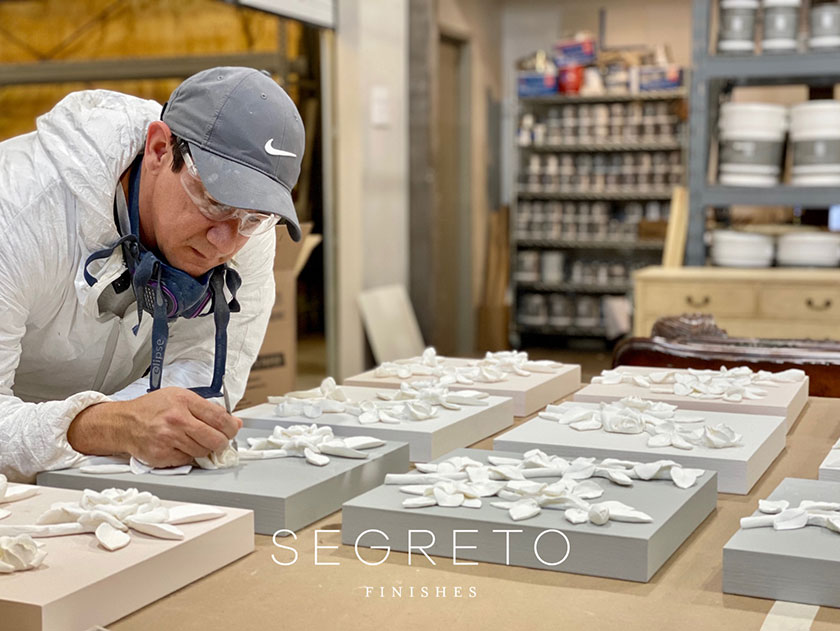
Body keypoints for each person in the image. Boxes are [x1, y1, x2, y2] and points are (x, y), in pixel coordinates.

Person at [0, 66, 305, 482]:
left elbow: (203, 375)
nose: (224, 242)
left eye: (253, 217)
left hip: (101, 474)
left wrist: (144, 427)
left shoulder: (242, 229)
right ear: (160, 149)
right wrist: (109, 425)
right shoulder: (18, 213)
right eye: (215, 202)